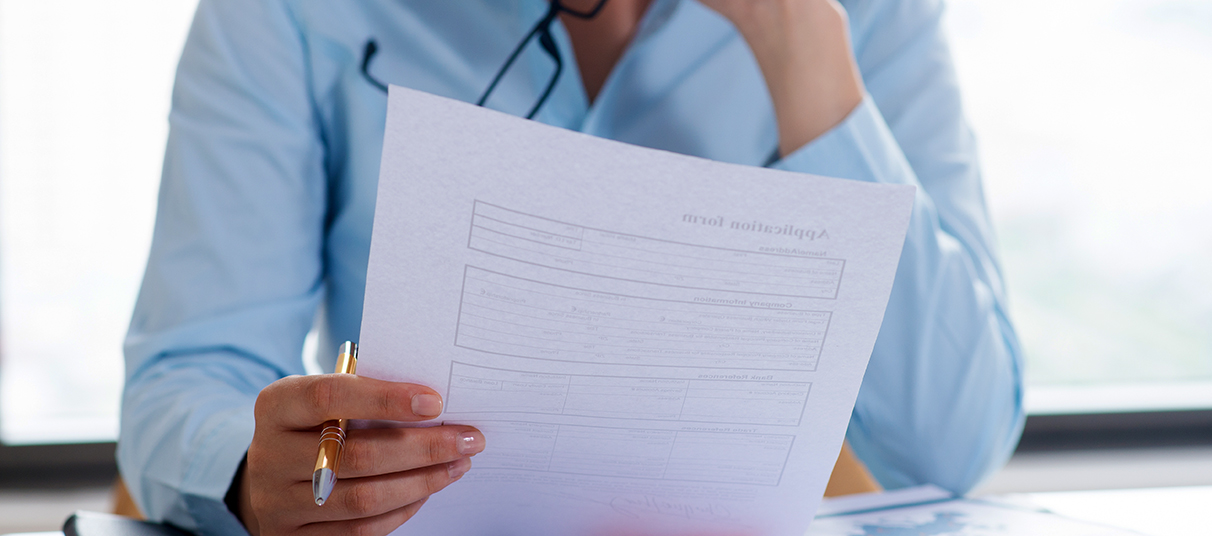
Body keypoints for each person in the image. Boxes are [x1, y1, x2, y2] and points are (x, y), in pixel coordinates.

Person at [119, 0, 1025, 534]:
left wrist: (807, 54)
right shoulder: (289, 13)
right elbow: (184, 375)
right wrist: (249, 472)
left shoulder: (874, 14)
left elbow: (950, 444)